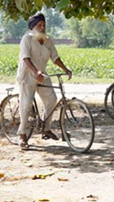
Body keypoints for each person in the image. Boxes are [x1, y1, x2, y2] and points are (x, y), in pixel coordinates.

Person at [16, 13, 73, 150]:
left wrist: (66, 69)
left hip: (43, 75)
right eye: (39, 25)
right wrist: (36, 72)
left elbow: (55, 57)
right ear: (33, 27)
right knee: (26, 104)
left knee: (52, 99)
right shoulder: (27, 39)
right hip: (28, 75)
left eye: (43, 25)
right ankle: (22, 135)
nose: (42, 27)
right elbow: (25, 58)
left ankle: (46, 128)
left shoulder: (47, 40)